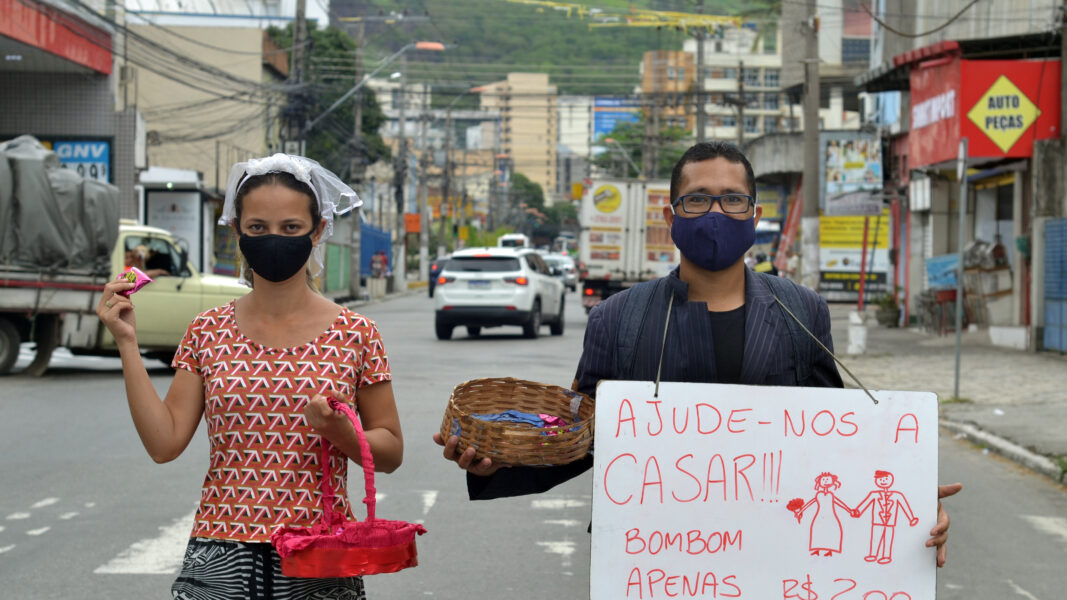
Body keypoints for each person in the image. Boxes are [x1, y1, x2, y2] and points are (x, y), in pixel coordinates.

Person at [434, 141, 961, 567]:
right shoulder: (617, 319)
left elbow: (834, 443)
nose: (716, 212)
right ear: (672, 216)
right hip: (652, 564)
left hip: (776, 560)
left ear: (754, 215)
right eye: (699, 198)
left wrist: (912, 496)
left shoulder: (802, 312)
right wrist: (490, 466)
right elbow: (581, 443)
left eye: (732, 199)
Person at [97, 154, 403, 599]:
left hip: (318, 558)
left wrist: (342, 432)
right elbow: (164, 444)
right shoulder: (207, 330)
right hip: (219, 556)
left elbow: (391, 452)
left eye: (291, 228)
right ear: (237, 231)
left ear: (317, 230)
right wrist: (127, 343)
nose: (273, 239)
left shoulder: (356, 333)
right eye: (257, 228)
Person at [852, 470, 919, 565]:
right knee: (875, 536)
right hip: (877, 521)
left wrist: (911, 518)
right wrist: (858, 511)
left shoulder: (897, 495)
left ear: (891, 480)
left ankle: (886, 556)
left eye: (886, 479)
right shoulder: (874, 494)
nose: (883, 481)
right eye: (880, 479)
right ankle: (873, 554)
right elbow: (865, 504)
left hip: (890, 522)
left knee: (888, 538)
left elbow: (904, 506)